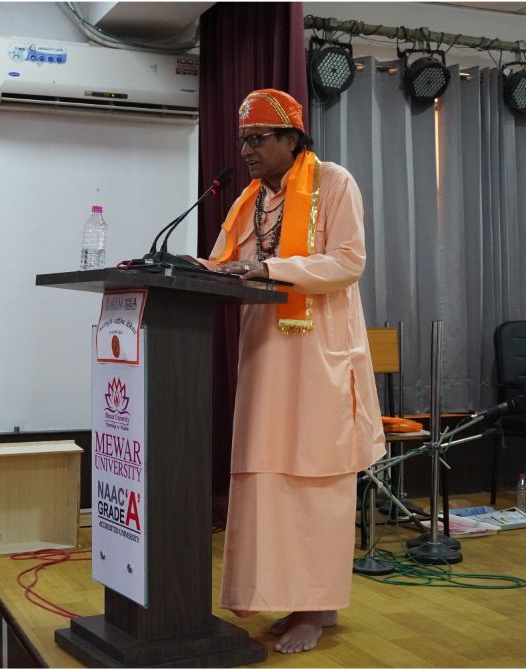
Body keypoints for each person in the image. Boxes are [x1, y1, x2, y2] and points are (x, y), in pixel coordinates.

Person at [202, 89, 385, 654]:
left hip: (317, 354)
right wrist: (197, 268)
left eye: (258, 139)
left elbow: (348, 261)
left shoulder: (333, 182)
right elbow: (227, 263)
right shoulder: (251, 200)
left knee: (314, 478)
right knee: (267, 478)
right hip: (265, 357)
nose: (247, 151)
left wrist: (268, 268)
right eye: (243, 141)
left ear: (291, 138)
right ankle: (289, 598)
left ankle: (316, 607)